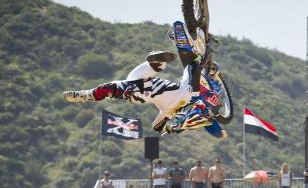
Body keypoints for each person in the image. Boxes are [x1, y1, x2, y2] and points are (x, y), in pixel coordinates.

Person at [64, 47, 228, 139]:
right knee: (184, 69)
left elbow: (157, 126)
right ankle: (158, 61)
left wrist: (173, 129)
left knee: (117, 86)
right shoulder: (185, 99)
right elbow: (158, 126)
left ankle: (84, 95)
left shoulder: (170, 110)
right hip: (145, 87)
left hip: (139, 85)